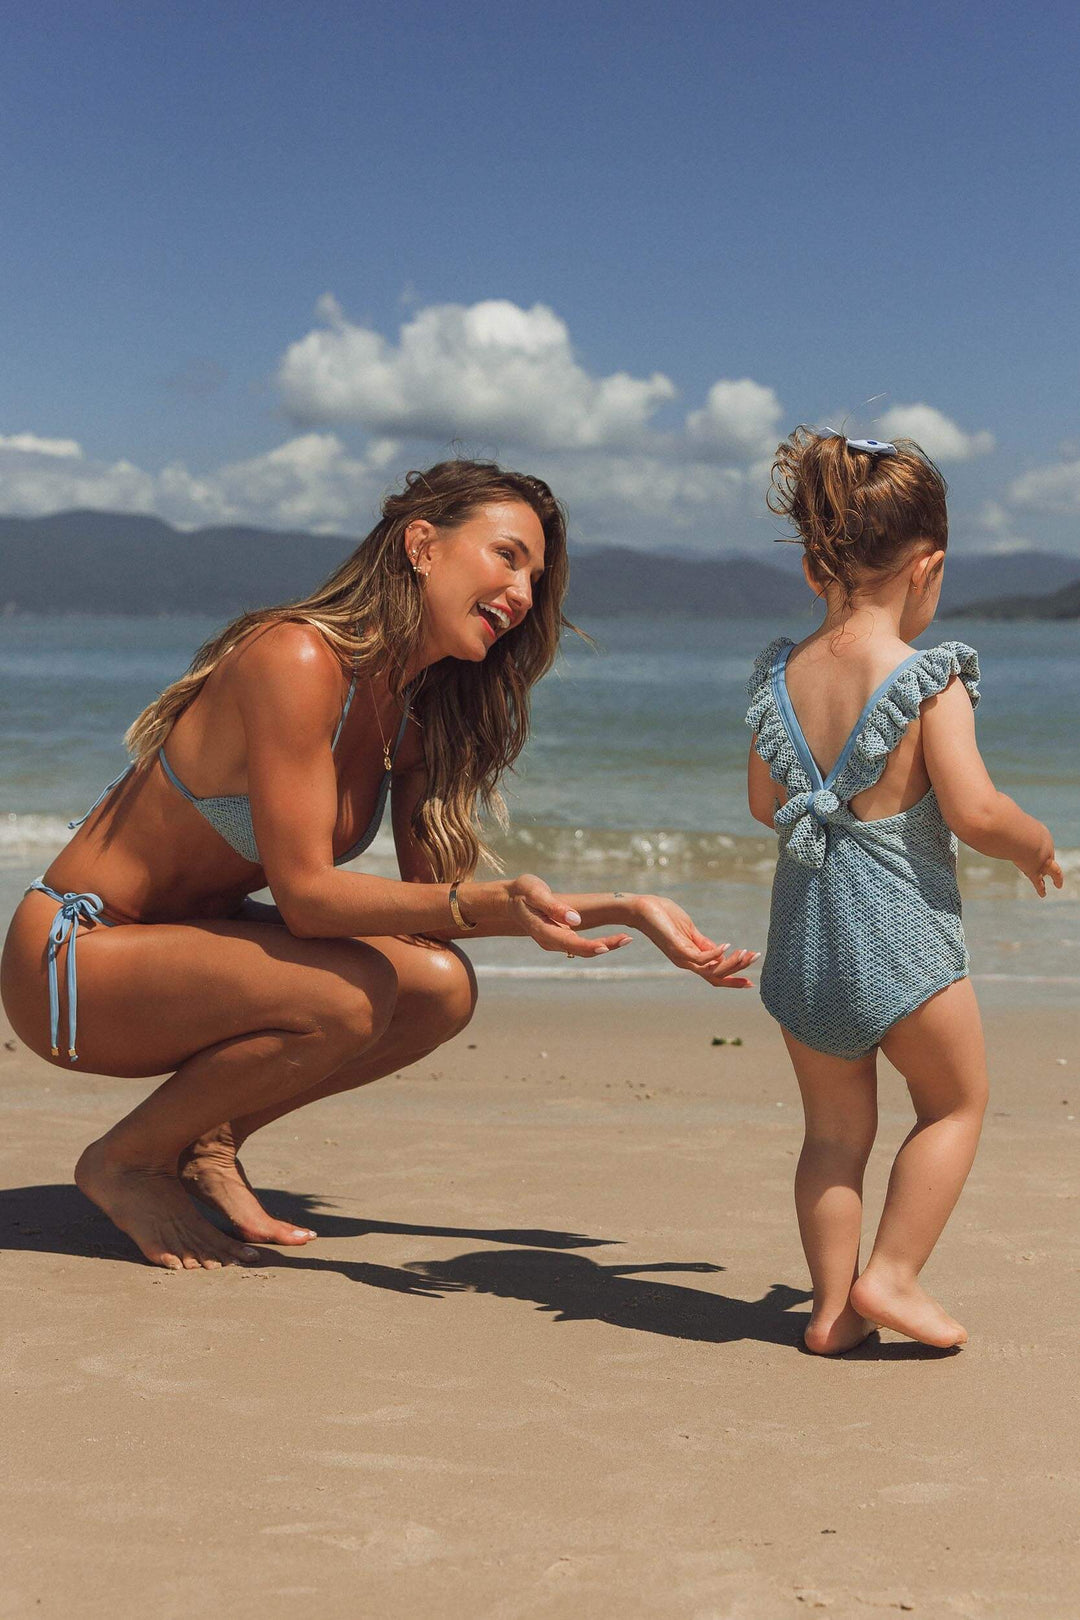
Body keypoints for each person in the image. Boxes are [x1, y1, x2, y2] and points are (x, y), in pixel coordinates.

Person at [2, 459, 757, 1272]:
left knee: (439, 984)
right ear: (421, 545)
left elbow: (434, 912)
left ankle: (208, 1139)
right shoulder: (293, 658)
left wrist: (627, 907)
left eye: (537, 578)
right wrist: (497, 902)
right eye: (508, 557)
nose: (525, 595)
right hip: (72, 963)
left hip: (186, 945)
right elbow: (309, 903)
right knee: (347, 992)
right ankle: (126, 1160)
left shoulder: (413, 711)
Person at [744, 428, 1062, 1354]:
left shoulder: (777, 675)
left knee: (833, 1136)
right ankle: (894, 1276)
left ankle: (833, 1311)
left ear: (814, 567)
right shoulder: (931, 675)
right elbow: (971, 808)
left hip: (805, 940)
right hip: (904, 943)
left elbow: (769, 803)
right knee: (954, 1105)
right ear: (929, 566)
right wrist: (1033, 841)